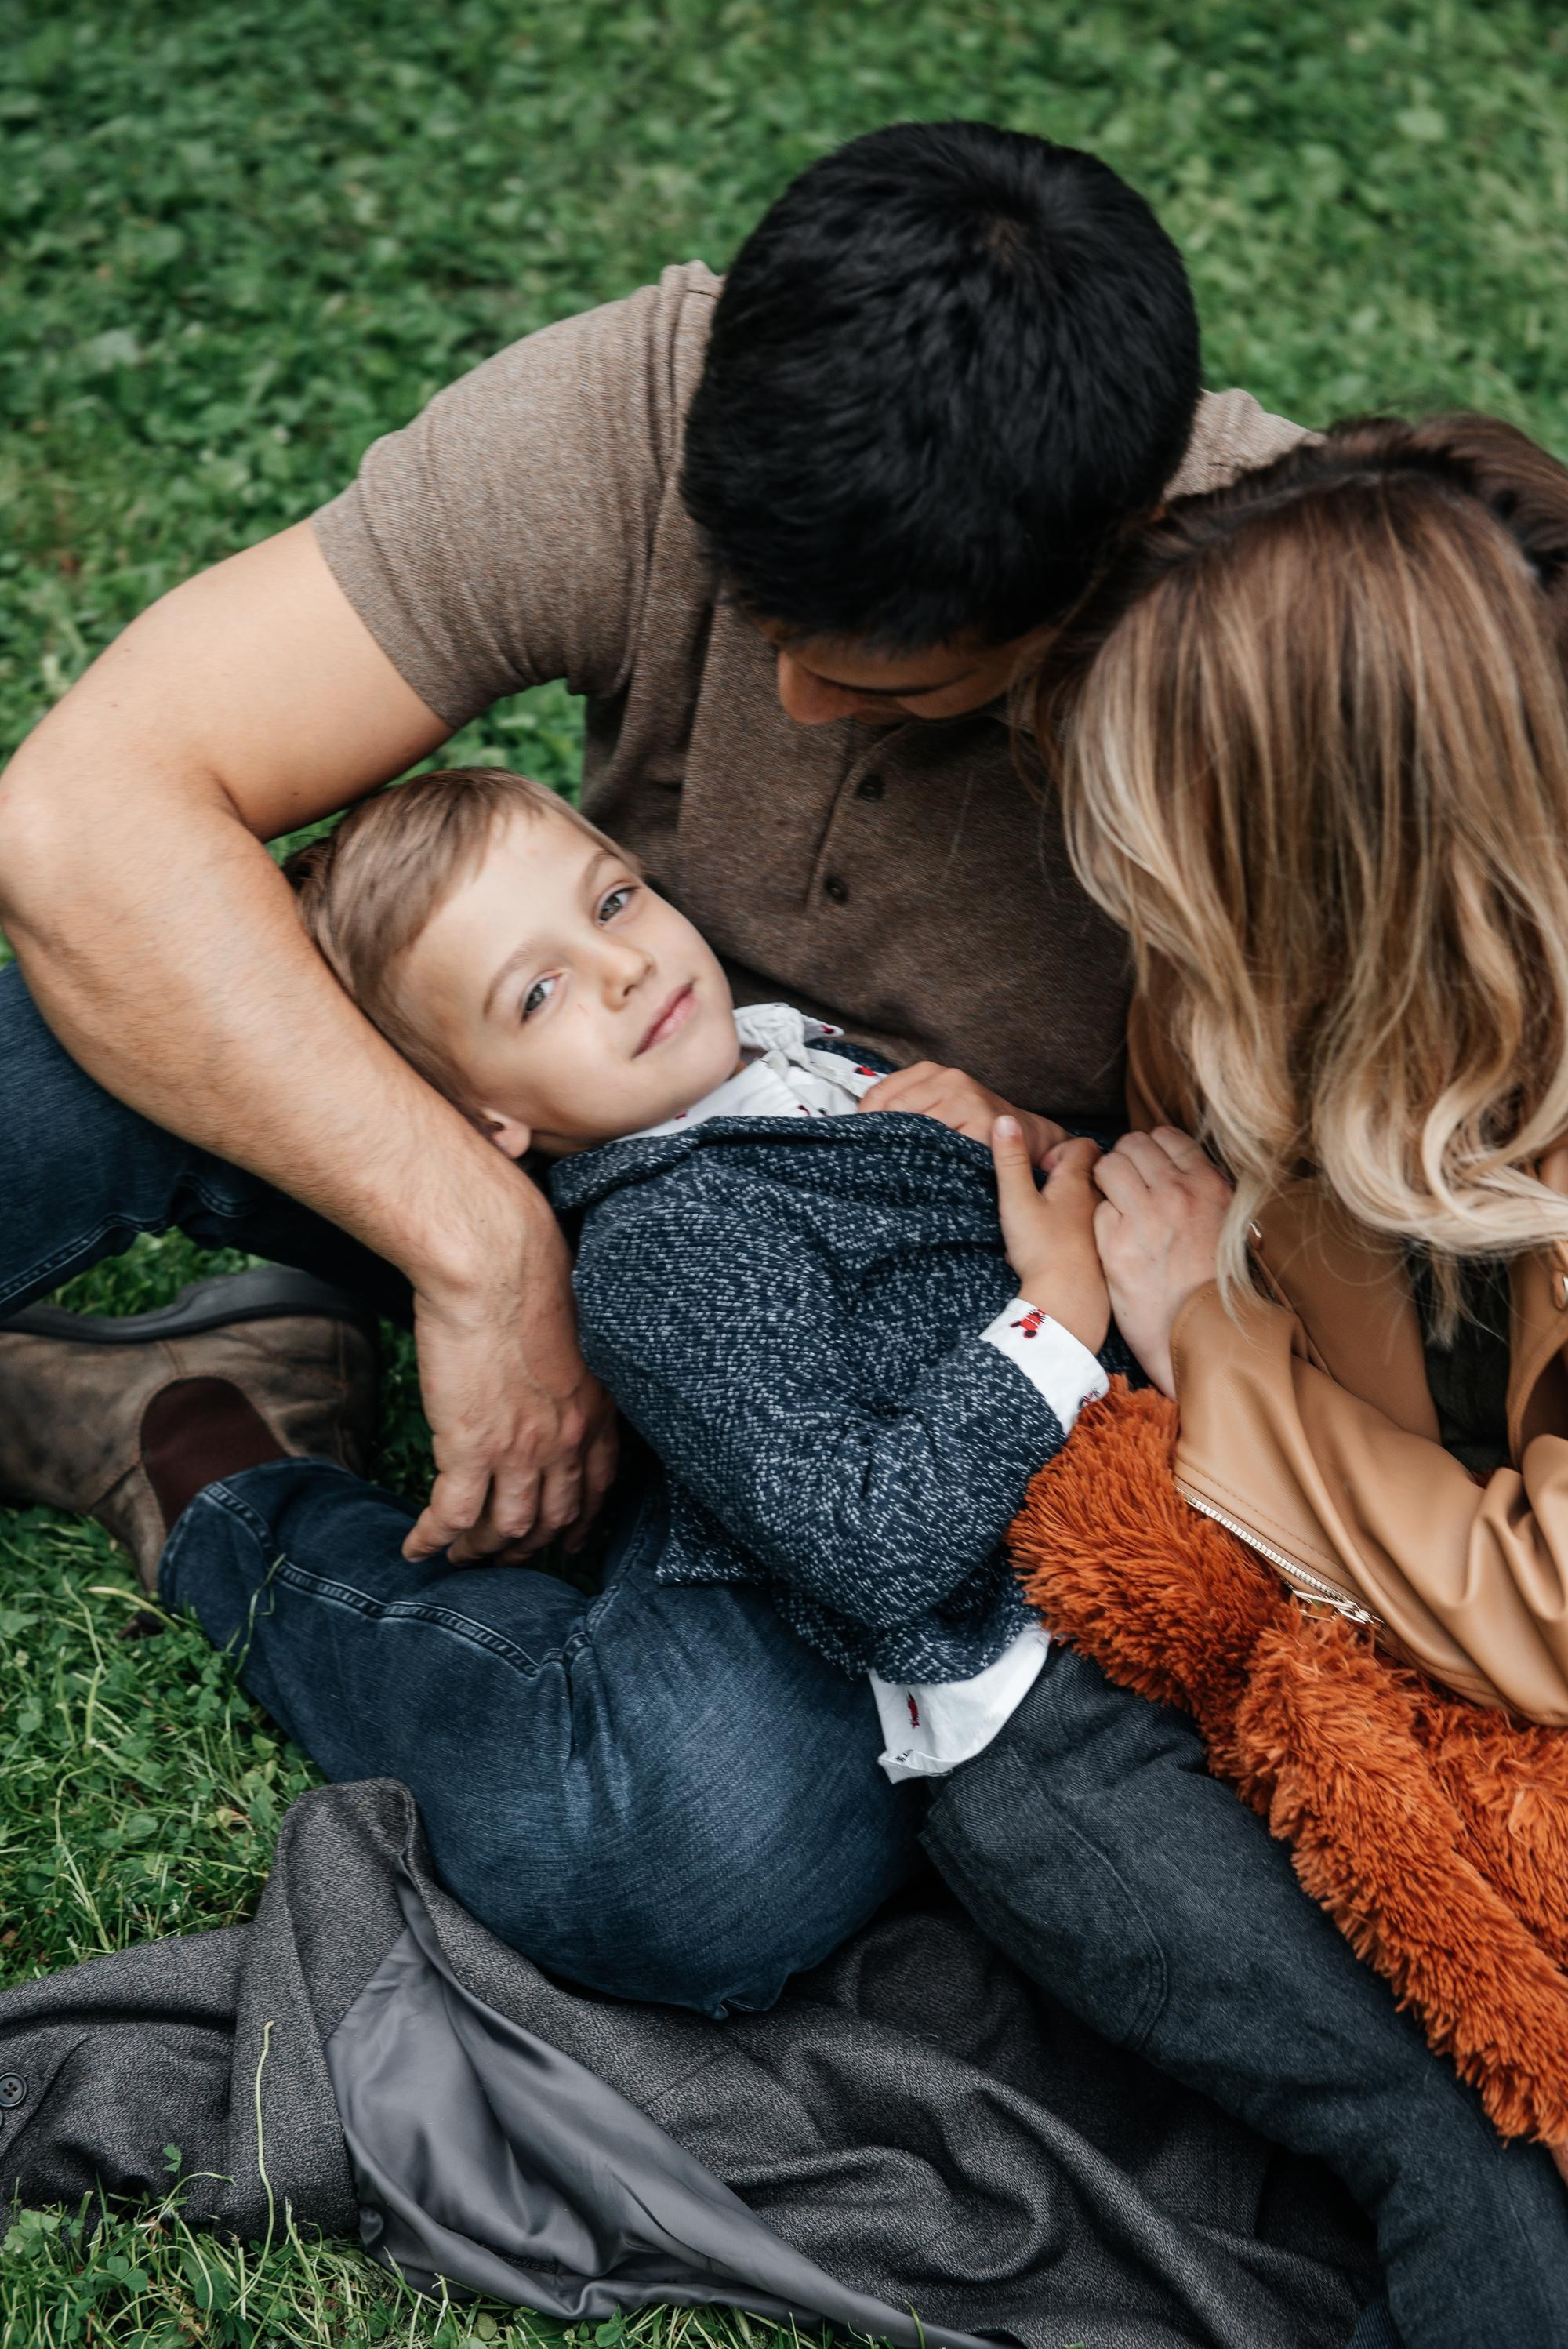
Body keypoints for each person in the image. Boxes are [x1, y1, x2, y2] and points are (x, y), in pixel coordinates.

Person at [0, 120, 1302, 1576]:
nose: (800, 706)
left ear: (1108, 562)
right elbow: (84, 814)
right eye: (761, 625)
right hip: (538, 1105)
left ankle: (205, 1444)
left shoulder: (1291, 645)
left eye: (887, 684)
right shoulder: (638, 409)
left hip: (888, 1311)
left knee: (726, 1798)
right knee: (92, 1024)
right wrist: (483, 1247)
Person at [0, 762, 1124, 2010]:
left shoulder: (802, 1065)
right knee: (117, 1005)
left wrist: (995, 1140)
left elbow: (1062, 1223)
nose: (629, 967)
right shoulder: (637, 1214)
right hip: (685, 1281)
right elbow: (873, 1532)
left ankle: (252, 1412)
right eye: (541, 988)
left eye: (617, 904)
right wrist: (481, 1245)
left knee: (689, 1850)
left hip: (849, 1385)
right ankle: (218, 1479)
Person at [919, 413, 1568, 2349]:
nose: (1129, 907)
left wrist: (1211, 1344)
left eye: (1174, 863)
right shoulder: (1250, 994)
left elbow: (1544, 1613)